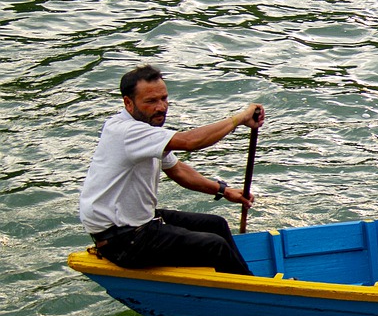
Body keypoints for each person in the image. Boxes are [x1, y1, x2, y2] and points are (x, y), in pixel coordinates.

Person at [79, 66, 265, 275]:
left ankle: (244, 279)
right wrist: (240, 118)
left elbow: (178, 171)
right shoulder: (126, 131)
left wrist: (224, 191)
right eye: (151, 101)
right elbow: (190, 142)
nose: (161, 107)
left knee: (216, 225)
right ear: (128, 103)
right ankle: (251, 290)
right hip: (122, 240)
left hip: (137, 223)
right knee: (215, 245)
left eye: (164, 99)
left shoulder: (146, 131)